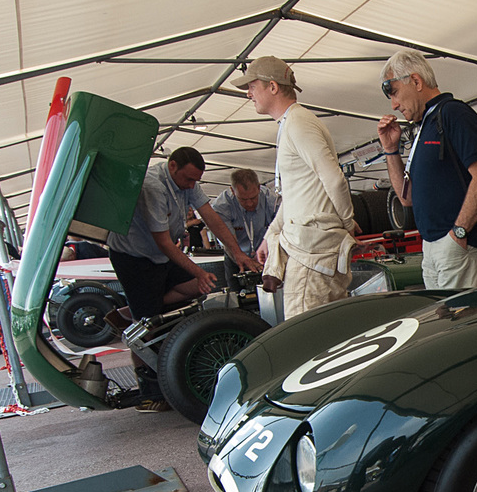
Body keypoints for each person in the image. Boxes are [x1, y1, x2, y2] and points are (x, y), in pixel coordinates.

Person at [106, 146, 260, 411]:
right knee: (145, 326)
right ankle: (149, 394)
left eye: (196, 181)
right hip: (135, 255)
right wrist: (197, 271)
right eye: (189, 179)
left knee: (197, 289)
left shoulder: (188, 183)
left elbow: (210, 216)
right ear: (172, 165)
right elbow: (164, 242)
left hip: (159, 253)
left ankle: (131, 309)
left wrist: (238, 255)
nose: (192, 185)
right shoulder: (152, 187)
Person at [233, 56, 358, 317]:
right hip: (310, 252)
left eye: (252, 86)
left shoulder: (298, 123)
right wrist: (271, 235)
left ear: (273, 87)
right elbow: (295, 194)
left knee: (308, 337)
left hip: (312, 255)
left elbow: (334, 179)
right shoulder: (292, 123)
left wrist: (346, 224)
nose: (248, 94)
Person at [376, 49, 477, 289]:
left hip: (458, 245)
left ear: (416, 81)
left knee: (458, 323)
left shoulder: (453, 113)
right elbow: (406, 197)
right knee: (444, 322)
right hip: (434, 247)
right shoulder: (426, 125)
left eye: (395, 93)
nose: (394, 104)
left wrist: (459, 234)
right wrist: (391, 150)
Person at [208, 168, 280, 280]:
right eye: (243, 199)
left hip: (266, 255)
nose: (250, 203)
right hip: (235, 254)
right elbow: (227, 240)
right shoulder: (221, 206)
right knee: (235, 294)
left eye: (253, 198)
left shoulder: (271, 200)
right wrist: (242, 258)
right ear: (232, 191)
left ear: (259, 187)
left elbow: (280, 227)